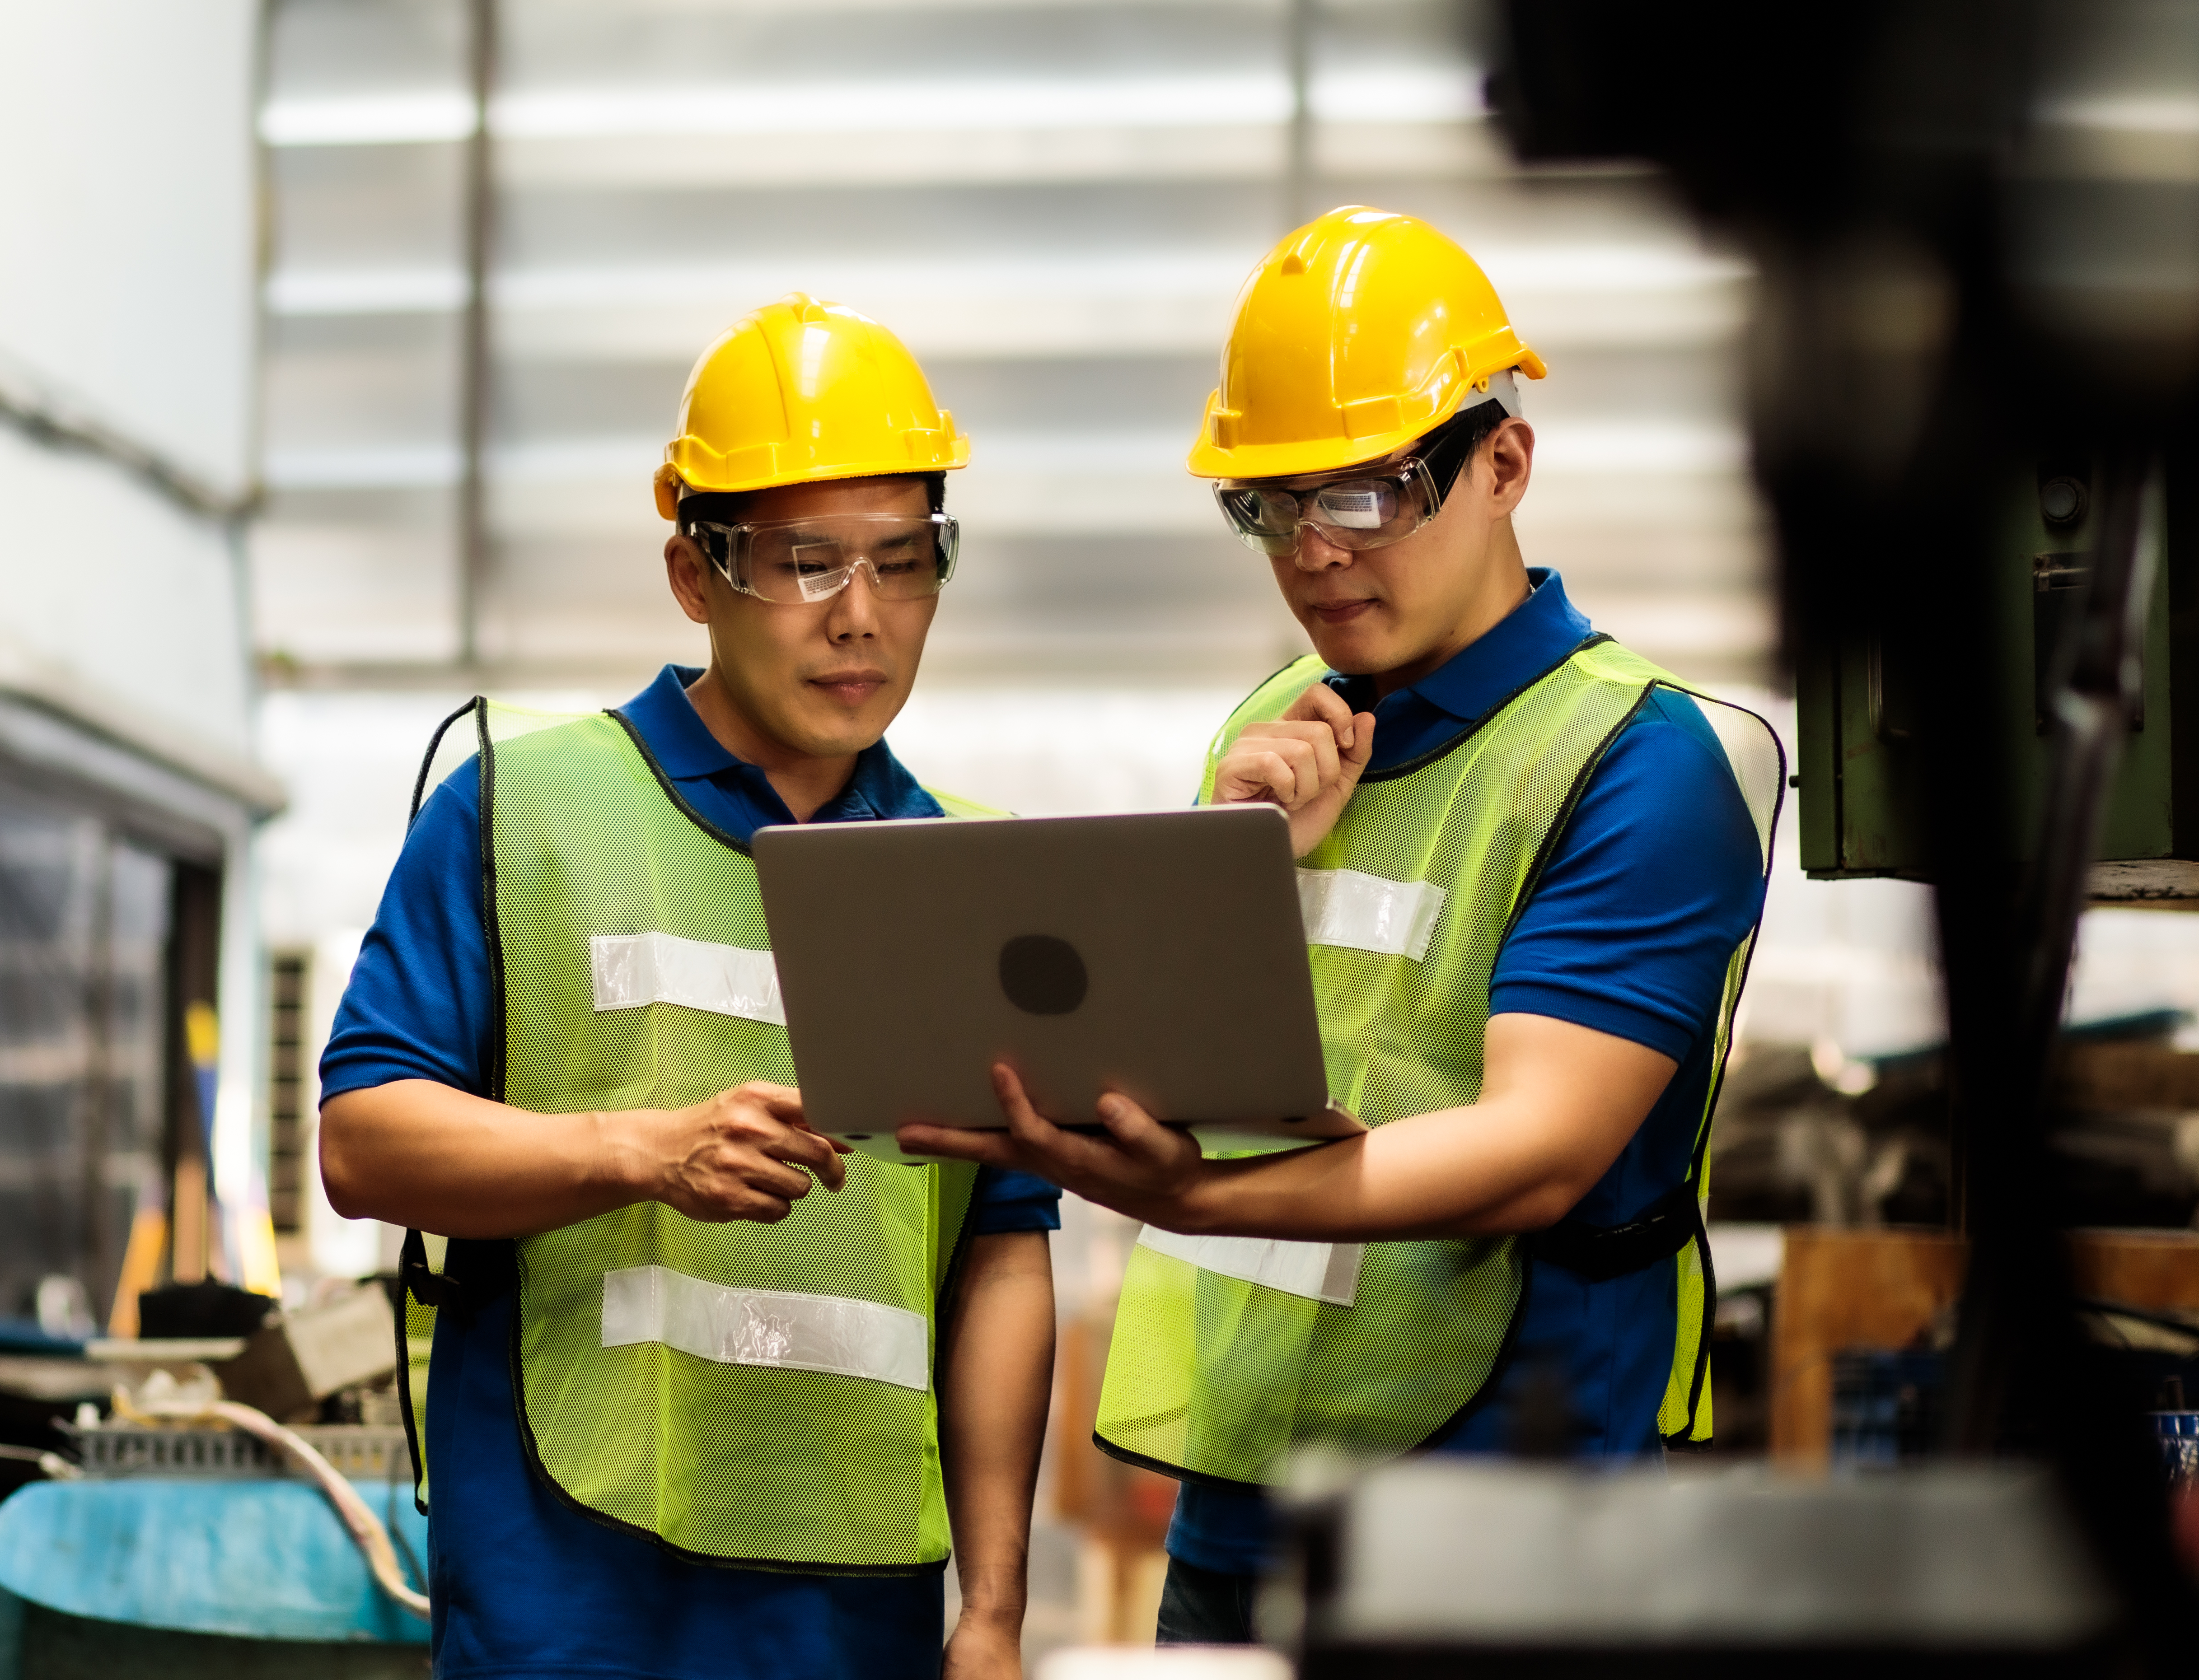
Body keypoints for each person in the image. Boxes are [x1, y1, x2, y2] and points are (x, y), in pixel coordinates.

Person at [900, 207, 1782, 1644]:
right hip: (1249, 1497)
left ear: (1504, 462)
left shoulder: (1637, 760)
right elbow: (1176, 1063)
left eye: (1366, 494)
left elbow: (1533, 1153)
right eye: (1270, 504)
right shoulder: (1272, 735)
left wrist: (1185, 1200)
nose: (1313, 552)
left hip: (1508, 1525)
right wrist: (1219, 868)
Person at [318, 294, 1062, 1680]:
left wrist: (996, 1610)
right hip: (566, 1601)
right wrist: (649, 1149)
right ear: (692, 571)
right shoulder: (523, 809)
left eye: (905, 564)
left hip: (855, 1617)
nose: (863, 620)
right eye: (806, 564)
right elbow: (363, 1144)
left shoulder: (973, 875)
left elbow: (1001, 1256)